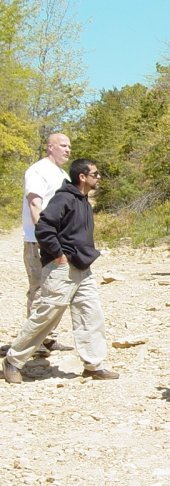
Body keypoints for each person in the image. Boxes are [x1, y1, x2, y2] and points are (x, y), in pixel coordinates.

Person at [2, 158, 119, 384]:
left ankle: (94, 365)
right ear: (82, 177)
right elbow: (44, 228)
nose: (99, 177)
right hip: (62, 269)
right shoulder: (63, 198)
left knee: (91, 315)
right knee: (46, 316)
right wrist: (58, 255)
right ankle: (13, 361)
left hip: (83, 268)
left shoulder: (83, 200)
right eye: (95, 173)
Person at [20, 133, 75, 355]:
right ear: (50, 147)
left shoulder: (62, 174)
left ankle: (47, 337)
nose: (68, 150)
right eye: (63, 145)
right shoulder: (38, 170)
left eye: (69, 146)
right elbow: (35, 204)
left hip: (59, 241)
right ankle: (32, 343)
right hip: (39, 241)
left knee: (57, 290)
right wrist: (45, 238)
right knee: (39, 289)